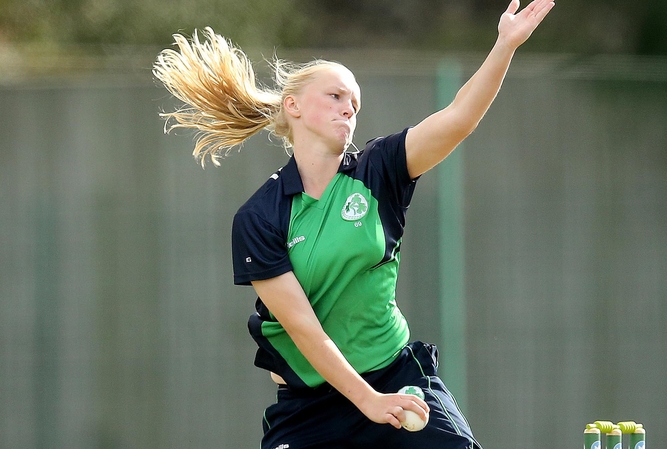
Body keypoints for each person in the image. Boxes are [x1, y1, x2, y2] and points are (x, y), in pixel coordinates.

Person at [153, 0, 553, 447]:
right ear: (294, 106)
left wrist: (504, 44)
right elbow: (303, 327)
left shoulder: (378, 170)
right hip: (309, 405)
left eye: (355, 102)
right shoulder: (260, 216)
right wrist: (366, 401)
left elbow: (458, 119)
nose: (349, 108)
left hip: (395, 377)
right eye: (336, 95)